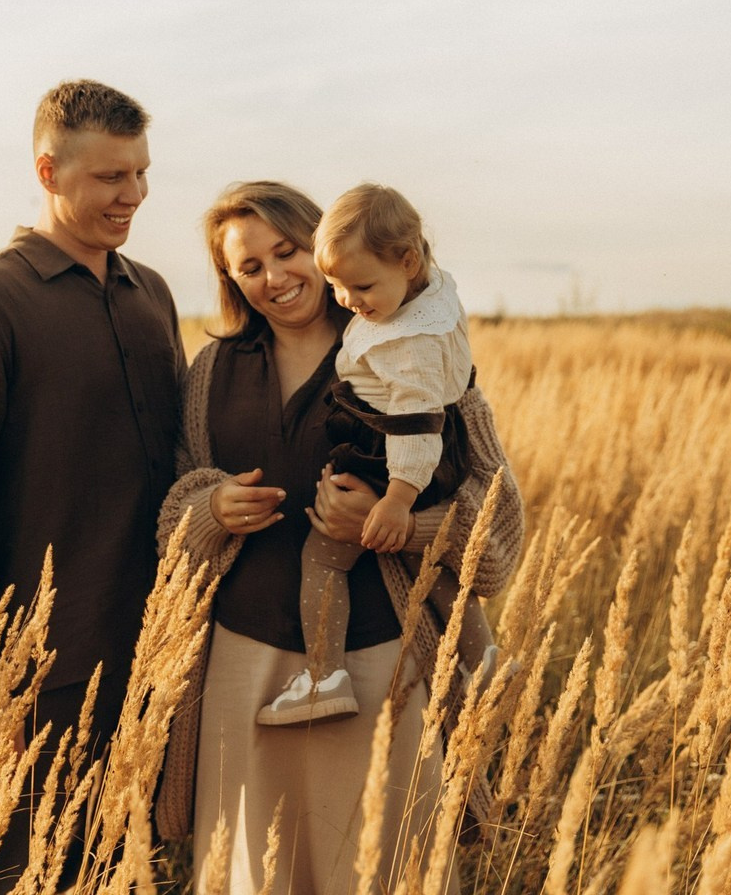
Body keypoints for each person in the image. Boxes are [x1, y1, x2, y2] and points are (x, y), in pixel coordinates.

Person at [153, 181, 524, 894]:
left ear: (320, 248)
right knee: (257, 875)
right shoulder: (213, 373)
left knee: (387, 869)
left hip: (382, 663)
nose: (274, 277)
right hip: (244, 665)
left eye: (286, 252)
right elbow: (170, 515)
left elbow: (500, 519)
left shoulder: (416, 353)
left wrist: (403, 527)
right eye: (249, 266)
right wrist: (211, 510)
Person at [0, 79, 186, 894]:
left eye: (140, 173)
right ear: (48, 172)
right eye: (109, 178)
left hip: (147, 659)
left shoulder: (152, 295)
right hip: (35, 673)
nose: (132, 195)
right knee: (12, 876)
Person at [257, 182, 497, 726]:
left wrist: (396, 500)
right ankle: (484, 660)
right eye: (338, 285)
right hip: (435, 450)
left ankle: (323, 676)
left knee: (323, 557)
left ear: (408, 260)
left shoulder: (405, 341)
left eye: (360, 285)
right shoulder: (427, 295)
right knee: (429, 563)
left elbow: (414, 422)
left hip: (393, 454)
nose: (348, 300)